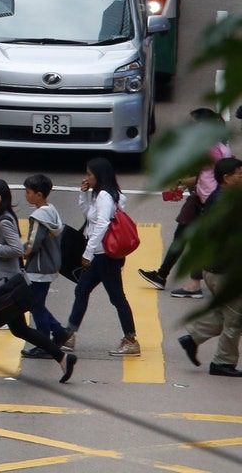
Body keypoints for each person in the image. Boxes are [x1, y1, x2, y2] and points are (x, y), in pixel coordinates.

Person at [0, 179, 76, 385]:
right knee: (20, 329)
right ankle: (63, 357)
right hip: (8, 285)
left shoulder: (4, 221)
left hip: (7, 286)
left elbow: (17, 249)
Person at [143, 111, 232, 295]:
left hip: (209, 202)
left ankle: (194, 285)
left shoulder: (211, 149)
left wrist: (180, 181)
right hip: (200, 198)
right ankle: (161, 275)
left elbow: (205, 174)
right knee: (181, 235)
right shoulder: (219, 146)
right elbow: (203, 175)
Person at [63, 157, 140, 356]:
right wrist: (83, 194)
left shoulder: (105, 196)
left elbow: (102, 224)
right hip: (101, 256)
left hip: (105, 256)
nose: (87, 177)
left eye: (89, 174)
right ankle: (70, 334)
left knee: (117, 298)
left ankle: (131, 340)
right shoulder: (105, 195)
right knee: (82, 290)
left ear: (99, 175)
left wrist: (88, 251)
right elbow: (91, 215)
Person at [176, 156, 242, 375]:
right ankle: (223, 362)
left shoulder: (221, 197)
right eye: (239, 175)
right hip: (224, 269)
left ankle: (193, 338)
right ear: (226, 178)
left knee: (225, 313)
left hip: (214, 268)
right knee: (235, 319)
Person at [19, 173, 69, 355]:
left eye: (28, 192)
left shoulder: (39, 216)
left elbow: (33, 243)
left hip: (38, 267)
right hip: (50, 265)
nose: (26, 195)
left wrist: (20, 253)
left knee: (36, 306)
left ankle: (45, 342)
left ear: (38, 195)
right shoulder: (52, 211)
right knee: (36, 303)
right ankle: (59, 332)